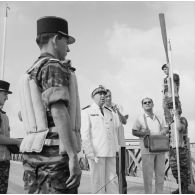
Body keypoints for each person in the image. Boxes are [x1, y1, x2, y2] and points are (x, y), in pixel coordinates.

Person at [21, 16, 81, 193]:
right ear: (56, 39)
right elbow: (59, 111)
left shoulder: (31, 71)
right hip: (54, 160)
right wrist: (72, 156)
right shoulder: (53, 66)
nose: (68, 49)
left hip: (33, 159)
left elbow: (23, 114)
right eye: (66, 42)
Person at [81, 85, 119, 194]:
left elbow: (114, 131)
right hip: (96, 153)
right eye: (100, 94)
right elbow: (85, 134)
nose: (103, 96)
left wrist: (115, 150)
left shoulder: (109, 111)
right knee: (98, 182)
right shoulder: (87, 111)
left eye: (104, 94)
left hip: (110, 152)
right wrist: (89, 152)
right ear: (93, 96)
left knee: (112, 181)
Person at [132, 97, 168, 194]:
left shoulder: (159, 117)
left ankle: (159, 193)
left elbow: (166, 128)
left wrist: (163, 131)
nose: (147, 103)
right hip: (147, 150)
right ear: (142, 106)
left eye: (149, 102)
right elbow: (134, 131)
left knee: (160, 174)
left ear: (153, 104)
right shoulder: (139, 118)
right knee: (148, 176)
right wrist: (143, 133)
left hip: (160, 149)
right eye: (145, 102)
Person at [104, 89, 128, 193]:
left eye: (110, 96)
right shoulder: (101, 109)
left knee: (120, 171)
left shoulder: (118, 106)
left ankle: (123, 192)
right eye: (106, 96)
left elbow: (124, 121)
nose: (108, 98)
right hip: (107, 146)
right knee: (108, 172)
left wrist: (117, 111)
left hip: (120, 144)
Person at [0, 80, 21, 193]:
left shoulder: (4, 115)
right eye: (5, 94)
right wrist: (16, 142)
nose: (7, 98)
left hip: (3, 162)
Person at [169, 116, 191, 194]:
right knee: (175, 170)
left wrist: (177, 116)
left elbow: (180, 128)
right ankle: (180, 187)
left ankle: (185, 189)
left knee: (182, 170)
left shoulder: (182, 120)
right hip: (172, 150)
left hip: (180, 149)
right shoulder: (171, 122)